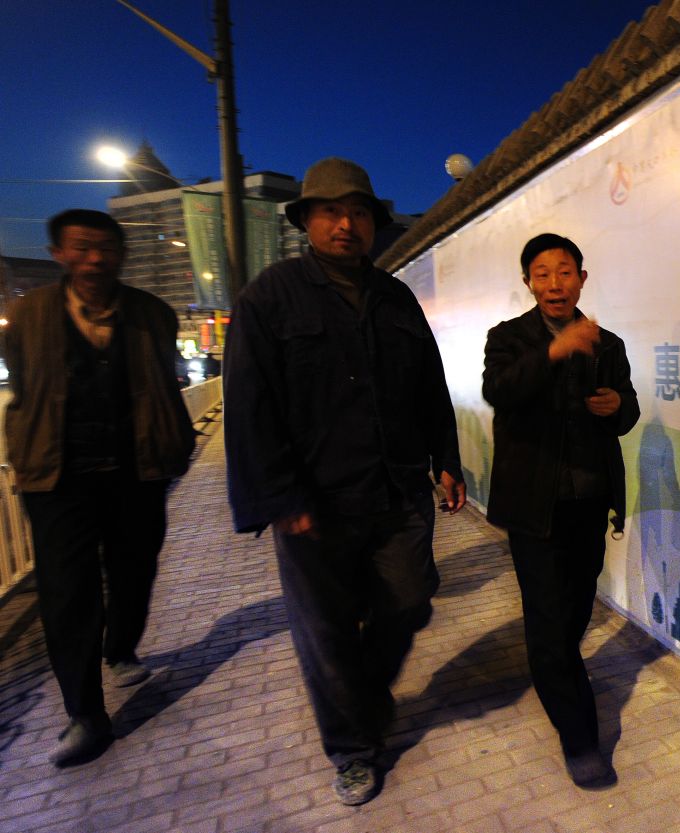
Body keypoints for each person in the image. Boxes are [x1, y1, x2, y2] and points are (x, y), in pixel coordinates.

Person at [223, 158, 466, 806]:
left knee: (412, 597)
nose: (346, 224)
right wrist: (279, 497)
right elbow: (249, 406)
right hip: (315, 504)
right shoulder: (269, 298)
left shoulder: (395, 298)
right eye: (331, 212)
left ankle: (363, 695)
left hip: (397, 489)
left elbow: (429, 386)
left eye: (358, 212)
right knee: (326, 632)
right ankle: (353, 749)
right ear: (306, 221)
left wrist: (447, 457)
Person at [4, 209, 195, 766]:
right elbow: (24, 383)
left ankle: (121, 647)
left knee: (136, 569)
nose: (94, 258)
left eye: (105, 248)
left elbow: (164, 381)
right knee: (67, 593)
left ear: (121, 254)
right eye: (81, 247)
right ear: (58, 252)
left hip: (137, 470)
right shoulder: (30, 313)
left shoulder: (151, 314)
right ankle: (84, 714)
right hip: (58, 478)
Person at [482, 233, 639, 789]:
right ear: (528, 282)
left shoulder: (609, 343)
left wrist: (618, 404)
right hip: (535, 507)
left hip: (590, 500)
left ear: (582, 279)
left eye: (565, 271)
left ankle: (557, 669)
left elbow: (628, 409)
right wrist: (556, 349)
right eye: (543, 273)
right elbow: (499, 389)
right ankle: (581, 741)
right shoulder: (509, 338)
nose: (555, 283)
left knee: (571, 615)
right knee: (549, 625)